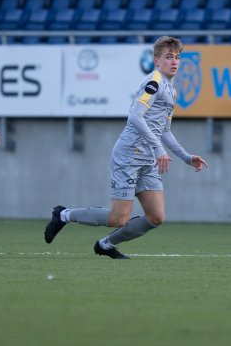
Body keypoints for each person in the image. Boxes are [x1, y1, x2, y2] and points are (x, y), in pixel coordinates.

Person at [43, 36, 208, 259]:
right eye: (169, 57)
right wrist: (159, 150)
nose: (174, 61)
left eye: (177, 57)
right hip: (129, 155)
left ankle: (105, 245)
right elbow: (135, 117)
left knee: (156, 217)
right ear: (157, 60)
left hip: (148, 159)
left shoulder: (172, 89)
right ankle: (63, 214)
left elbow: (165, 131)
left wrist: (187, 157)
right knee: (118, 218)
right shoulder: (154, 83)